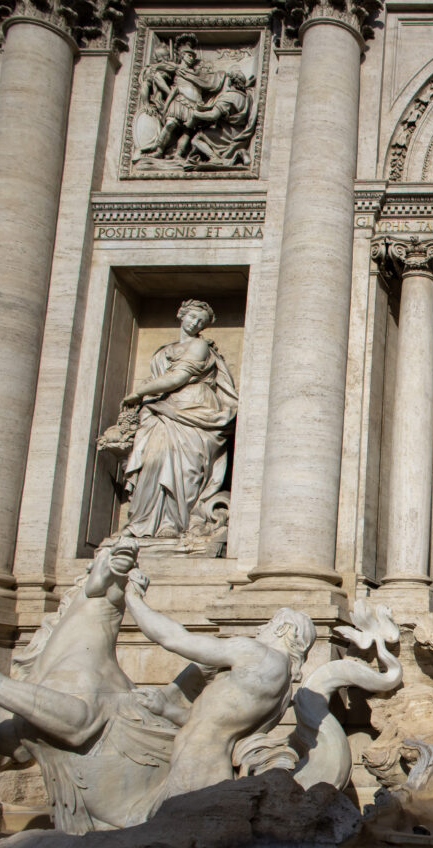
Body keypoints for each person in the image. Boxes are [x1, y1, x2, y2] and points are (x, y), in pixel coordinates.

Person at [123, 571, 316, 814]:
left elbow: (174, 639)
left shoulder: (257, 654)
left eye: (268, 625)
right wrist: (165, 710)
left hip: (195, 770)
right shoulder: (283, 690)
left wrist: (133, 598)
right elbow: (211, 723)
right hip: (207, 766)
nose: (259, 629)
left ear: (282, 630)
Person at [117, 299, 238, 540]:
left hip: (195, 411)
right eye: (192, 316)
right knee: (154, 461)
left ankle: (174, 523)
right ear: (181, 314)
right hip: (163, 411)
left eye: (201, 321)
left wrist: (140, 392)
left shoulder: (200, 347)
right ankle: (145, 521)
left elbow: (178, 378)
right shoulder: (163, 351)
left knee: (186, 470)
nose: (195, 323)